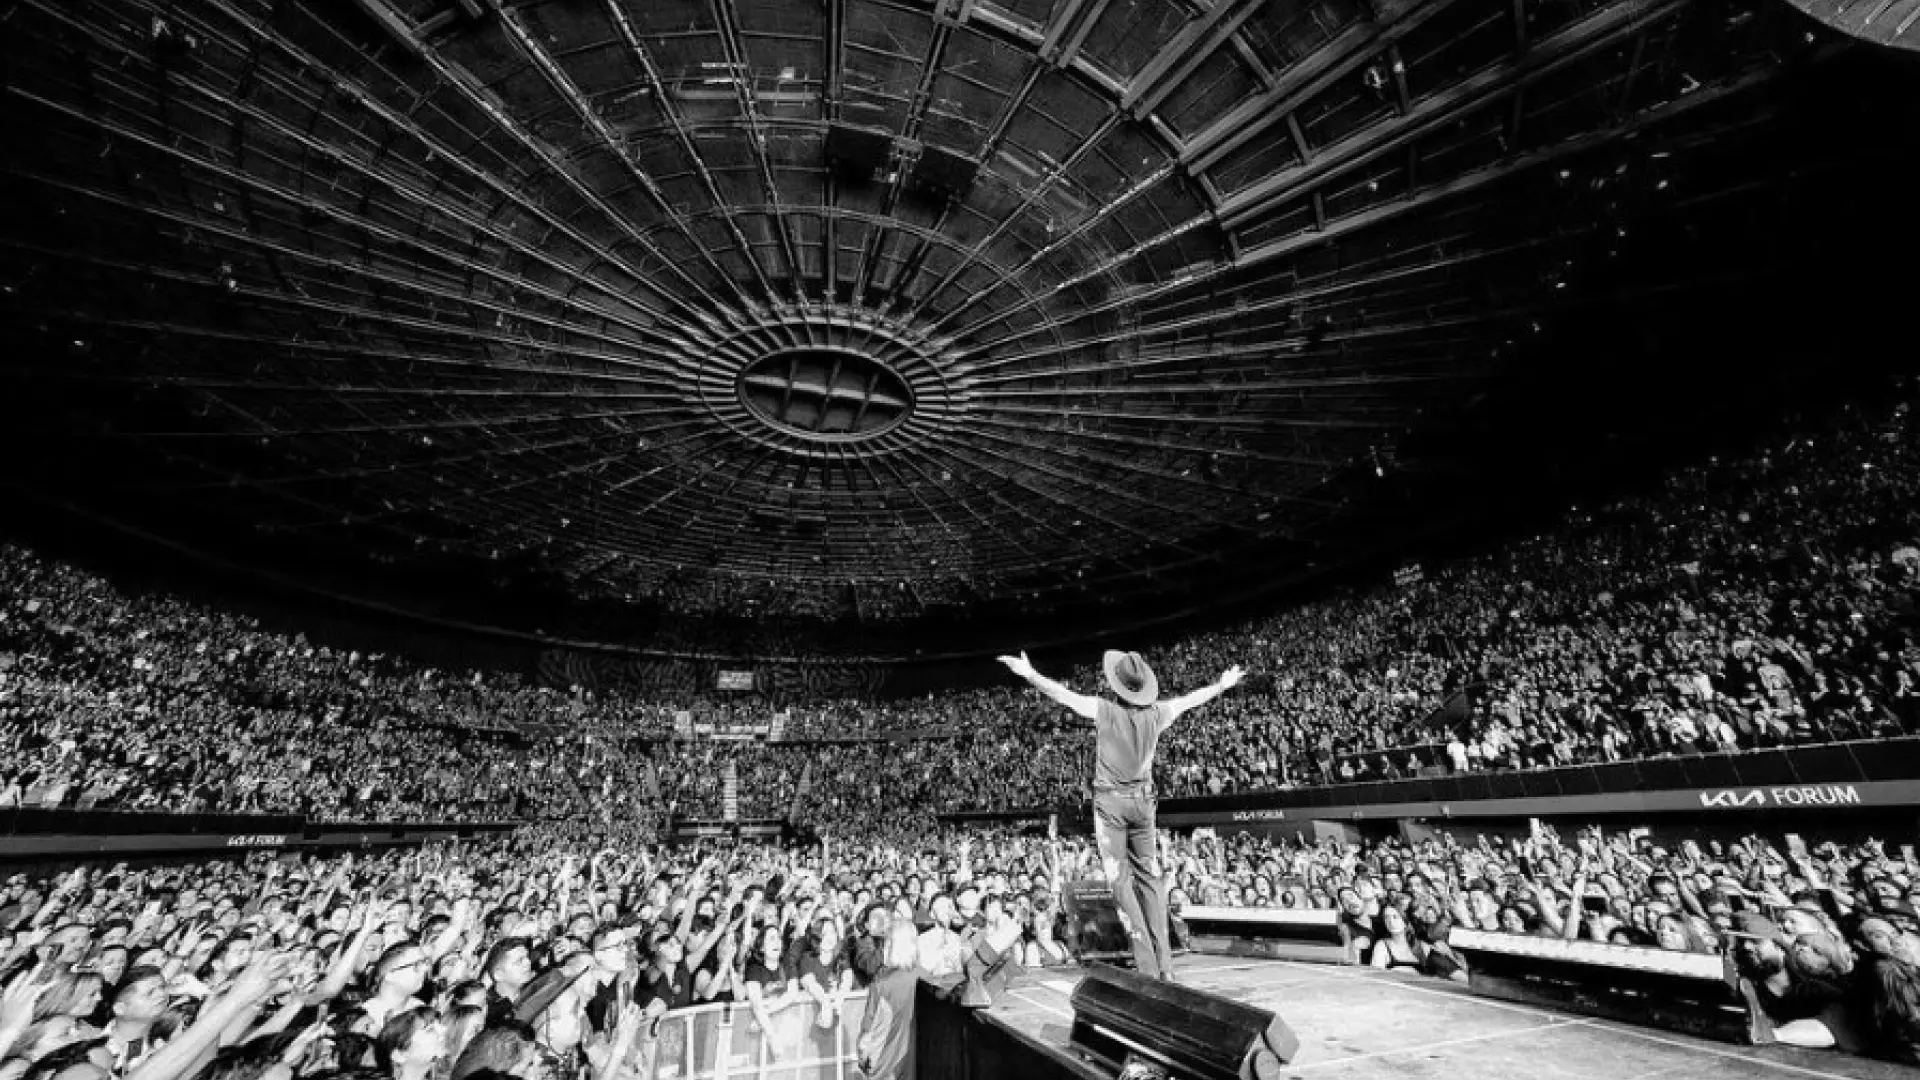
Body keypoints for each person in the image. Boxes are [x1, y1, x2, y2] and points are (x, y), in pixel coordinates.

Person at [997, 649, 1244, 981]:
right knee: (1152, 881)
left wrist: (1029, 673)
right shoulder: (1158, 713)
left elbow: (1062, 694)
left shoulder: (1105, 710)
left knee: (1121, 882)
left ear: (1117, 685)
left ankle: (1147, 966)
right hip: (1144, 804)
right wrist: (1221, 684)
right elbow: (1190, 699)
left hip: (1112, 806)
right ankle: (1166, 967)